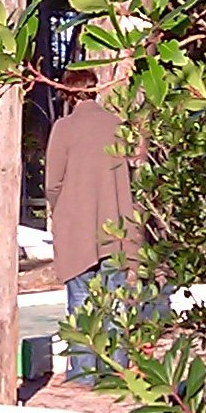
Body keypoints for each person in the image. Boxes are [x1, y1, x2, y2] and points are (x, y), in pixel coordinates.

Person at [44, 68, 142, 384]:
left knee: (80, 302)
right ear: (96, 90)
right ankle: (118, 371)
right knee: (115, 302)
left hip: (77, 228)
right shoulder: (117, 125)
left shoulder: (64, 128)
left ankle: (84, 374)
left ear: (69, 94)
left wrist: (63, 212)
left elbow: (52, 183)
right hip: (116, 227)